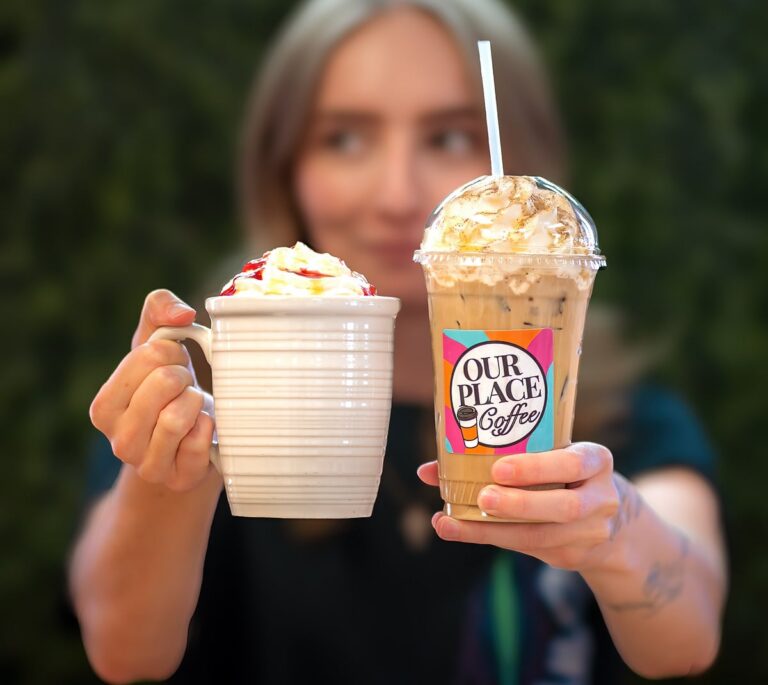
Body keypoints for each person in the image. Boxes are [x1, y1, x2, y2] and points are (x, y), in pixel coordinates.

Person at [68, 1, 727, 683]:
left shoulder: (617, 416)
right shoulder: (208, 398)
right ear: (285, 165)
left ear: (522, 173)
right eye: (345, 139)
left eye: (449, 138)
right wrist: (168, 471)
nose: (396, 194)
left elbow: (689, 640)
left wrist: (616, 529)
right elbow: (124, 653)